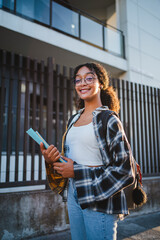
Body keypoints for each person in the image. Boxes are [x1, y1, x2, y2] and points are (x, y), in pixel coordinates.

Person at [40, 63, 135, 240]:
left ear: (101, 83)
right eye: (78, 79)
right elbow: (72, 159)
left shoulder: (109, 119)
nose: (83, 83)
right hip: (73, 194)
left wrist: (76, 170)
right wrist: (53, 159)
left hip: (101, 200)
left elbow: (125, 171)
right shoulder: (73, 119)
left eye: (89, 78)